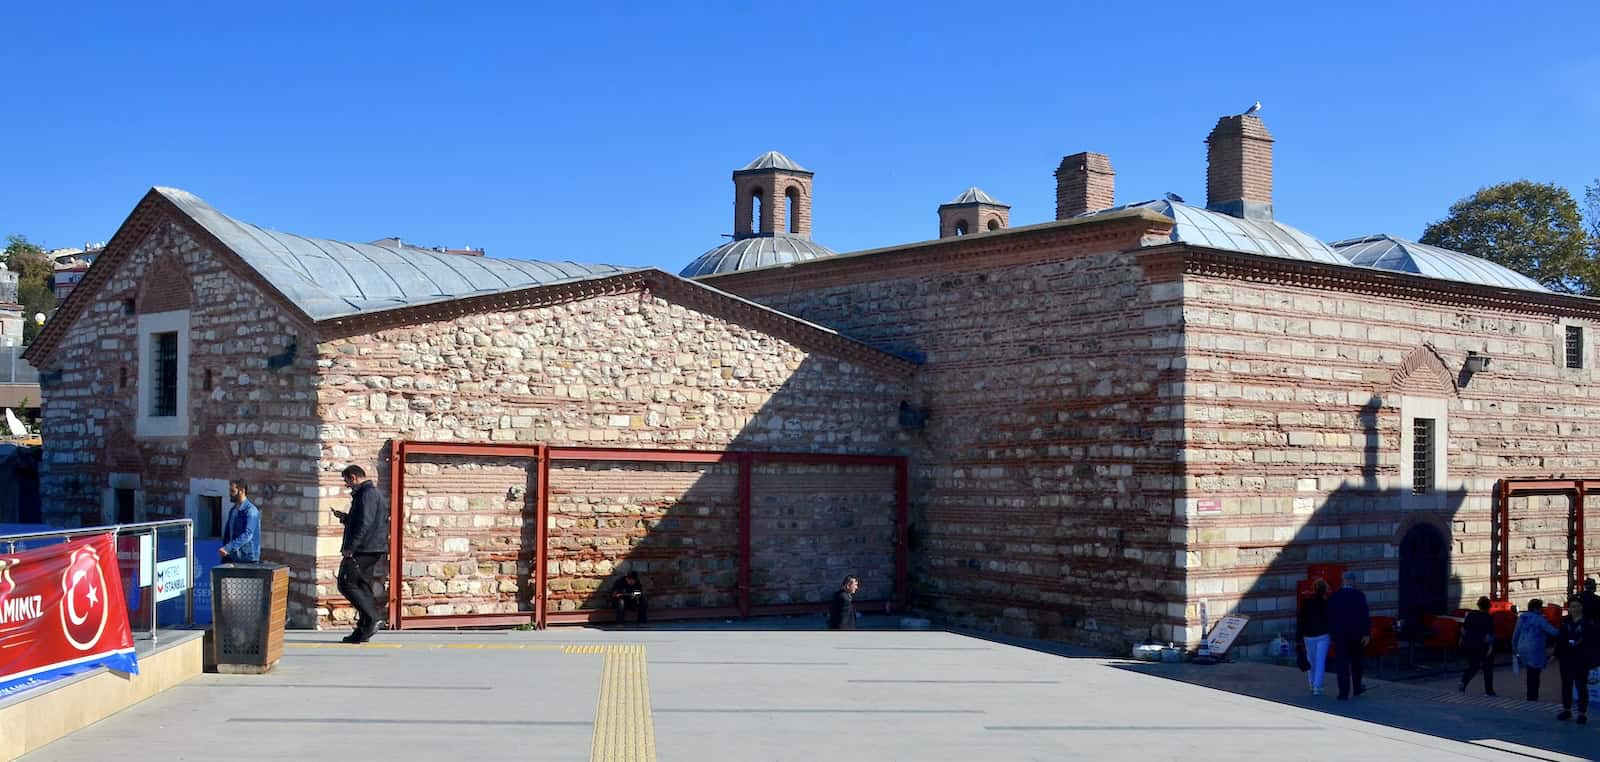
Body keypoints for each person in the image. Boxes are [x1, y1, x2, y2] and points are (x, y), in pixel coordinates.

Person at [334, 464, 388, 644]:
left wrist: (351, 547)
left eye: (347, 481)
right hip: (370, 547)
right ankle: (363, 629)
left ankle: (372, 617)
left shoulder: (367, 494)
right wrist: (346, 518)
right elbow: (363, 520)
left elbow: (365, 523)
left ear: (354, 477)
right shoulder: (369, 494)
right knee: (361, 585)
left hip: (365, 548)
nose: (347, 485)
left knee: (346, 582)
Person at [1327, 572, 1370, 700]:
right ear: (1353, 581)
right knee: (1356, 663)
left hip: (1340, 636)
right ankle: (1357, 688)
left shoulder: (1335, 596)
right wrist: (1366, 633)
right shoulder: (1359, 596)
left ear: (1343, 580)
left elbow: (1330, 617)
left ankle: (1343, 692)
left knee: (1342, 664)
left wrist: (1332, 633)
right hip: (1356, 635)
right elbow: (1365, 616)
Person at [1554, 598, 1592, 723]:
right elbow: (1560, 640)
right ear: (1569, 609)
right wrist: (1555, 655)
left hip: (1581, 659)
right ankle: (1567, 710)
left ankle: (1582, 713)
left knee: (1581, 686)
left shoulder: (1588, 623)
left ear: (1582, 608)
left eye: (1578, 606)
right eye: (1573, 607)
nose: (1575, 609)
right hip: (1566, 659)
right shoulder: (1565, 622)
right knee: (1566, 685)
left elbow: (1592, 641)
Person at [1512, 597, 1558, 701]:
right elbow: (1553, 632)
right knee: (1535, 673)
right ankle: (1533, 696)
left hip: (1522, 647)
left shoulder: (1522, 618)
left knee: (1529, 671)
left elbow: (1515, 634)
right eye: (1541, 607)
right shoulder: (1539, 619)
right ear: (1537, 608)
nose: (1542, 609)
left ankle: (1530, 695)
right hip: (1535, 649)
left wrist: (1514, 647)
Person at [1297, 578, 1332, 695]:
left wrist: (1298, 637)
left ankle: (1311, 684)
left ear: (1313, 589)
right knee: (1320, 661)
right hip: (1323, 635)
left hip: (1308, 636)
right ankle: (1317, 687)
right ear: (1325, 590)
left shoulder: (1307, 603)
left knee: (1311, 660)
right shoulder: (1327, 603)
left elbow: (1301, 621)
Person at [1459, 596, 1497, 696]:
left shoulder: (1470, 615)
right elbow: (1490, 635)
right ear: (1489, 606)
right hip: (1482, 645)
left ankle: (1463, 682)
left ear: (1478, 605)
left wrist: (1463, 639)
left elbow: (1463, 629)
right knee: (1487, 667)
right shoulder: (1489, 618)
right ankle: (1489, 691)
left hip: (1470, 644)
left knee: (1473, 666)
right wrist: (1490, 647)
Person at [218, 480, 260, 563]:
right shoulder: (233, 510)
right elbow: (228, 534)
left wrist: (228, 548)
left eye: (233, 491)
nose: (230, 494)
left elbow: (248, 534)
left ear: (242, 491)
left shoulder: (251, 510)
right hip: (232, 557)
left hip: (247, 558)